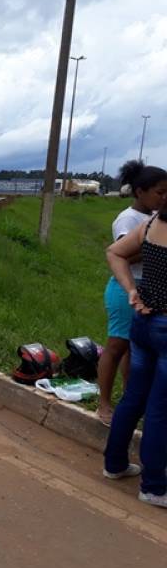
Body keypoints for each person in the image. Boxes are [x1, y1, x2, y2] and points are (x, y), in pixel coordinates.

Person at [102, 161, 167, 509]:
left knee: (135, 398)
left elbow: (114, 252)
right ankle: (154, 486)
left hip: (144, 322)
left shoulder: (152, 224)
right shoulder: (146, 221)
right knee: (159, 409)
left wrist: (130, 290)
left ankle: (114, 464)